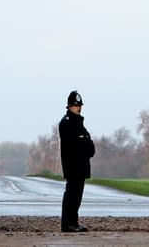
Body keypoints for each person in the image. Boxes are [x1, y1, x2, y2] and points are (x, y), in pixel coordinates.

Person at [59, 90, 95, 233]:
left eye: (79, 105)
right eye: (75, 105)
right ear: (69, 106)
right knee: (71, 195)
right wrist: (85, 144)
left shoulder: (79, 124)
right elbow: (75, 145)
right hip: (73, 165)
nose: (78, 107)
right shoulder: (67, 123)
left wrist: (85, 144)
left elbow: (89, 145)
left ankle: (73, 221)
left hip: (82, 165)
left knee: (77, 195)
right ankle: (67, 223)